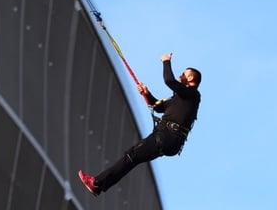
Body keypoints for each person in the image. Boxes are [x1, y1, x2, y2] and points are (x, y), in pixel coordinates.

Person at [78, 53, 201, 196]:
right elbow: (157, 107)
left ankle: (97, 183)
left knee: (132, 156)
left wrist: (166, 62)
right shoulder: (180, 98)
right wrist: (146, 93)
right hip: (169, 139)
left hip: (167, 136)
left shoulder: (192, 95)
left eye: (183, 74)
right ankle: (98, 185)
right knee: (132, 158)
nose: (180, 76)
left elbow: (169, 80)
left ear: (191, 78)